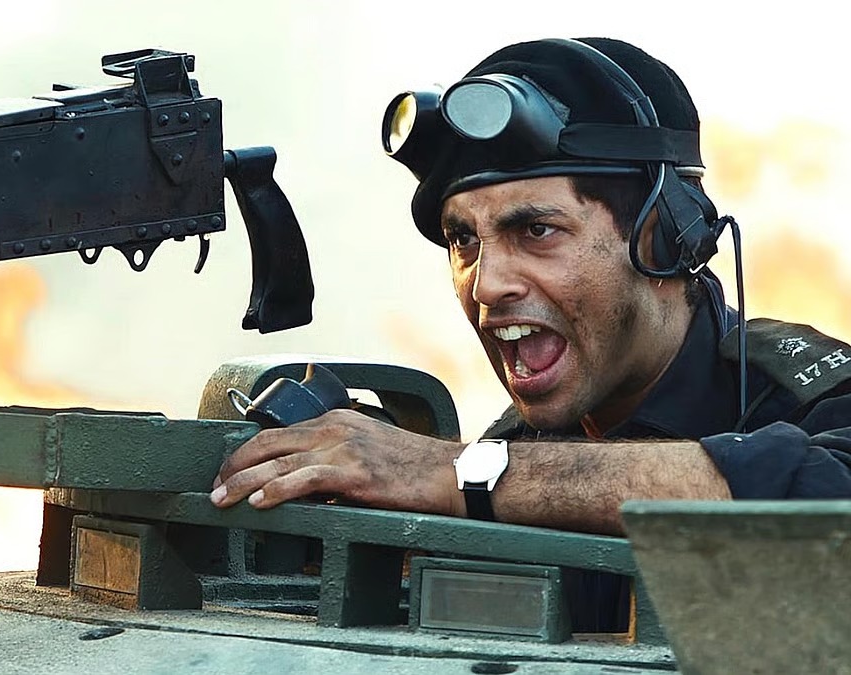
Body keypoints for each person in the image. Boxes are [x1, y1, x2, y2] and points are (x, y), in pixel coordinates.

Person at [209, 37, 851, 537]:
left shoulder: (819, 400)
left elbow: (830, 497)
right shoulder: (512, 451)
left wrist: (439, 471)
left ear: (663, 237)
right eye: (464, 240)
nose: (486, 284)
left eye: (536, 230)